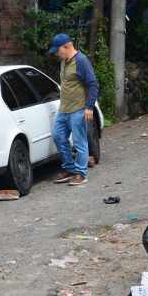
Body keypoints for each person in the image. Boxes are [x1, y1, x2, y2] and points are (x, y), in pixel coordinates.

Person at [47, 33, 99, 185]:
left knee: (79, 142)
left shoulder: (81, 61)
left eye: (58, 50)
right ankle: (69, 169)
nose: (57, 54)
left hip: (78, 109)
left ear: (67, 46)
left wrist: (89, 107)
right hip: (63, 109)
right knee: (58, 136)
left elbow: (93, 84)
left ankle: (81, 174)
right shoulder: (63, 62)